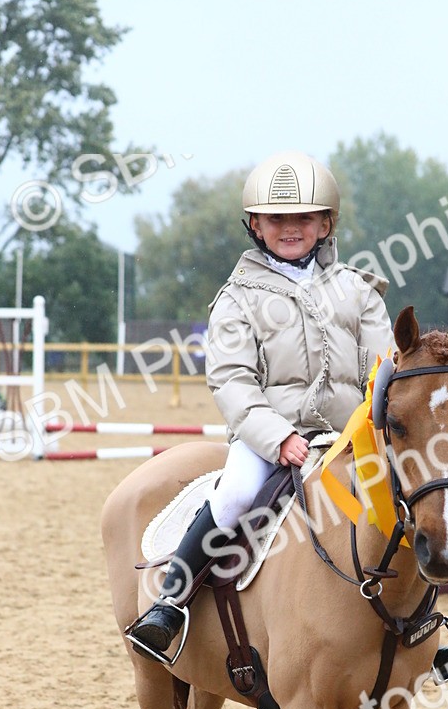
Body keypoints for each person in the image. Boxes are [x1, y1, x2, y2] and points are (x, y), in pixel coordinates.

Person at [129, 150, 394, 658]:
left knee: (405, 501)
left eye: (303, 218)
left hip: (350, 437)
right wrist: (280, 439)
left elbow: (382, 367)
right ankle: (170, 603)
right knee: (234, 497)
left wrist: (378, 423)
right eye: (277, 219)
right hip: (269, 440)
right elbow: (232, 380)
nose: (290, 228)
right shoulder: (237, 298)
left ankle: (425, 624)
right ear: (255, 224)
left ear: (325, 223)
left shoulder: (357, 292)